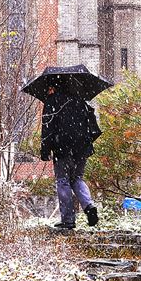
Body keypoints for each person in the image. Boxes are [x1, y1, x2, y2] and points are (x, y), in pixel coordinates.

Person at [40, 84, 101, 229]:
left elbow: (47, 128)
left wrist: (45, 150)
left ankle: (68, 220)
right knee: (77, 179)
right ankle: (89, 206)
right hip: (82, 147)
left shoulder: (52, 102)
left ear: (54, 87)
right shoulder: (81, 101)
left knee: (63, 181)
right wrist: (82, 143)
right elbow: (93, 128)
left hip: (62, 147)